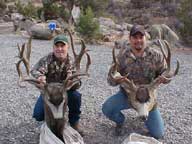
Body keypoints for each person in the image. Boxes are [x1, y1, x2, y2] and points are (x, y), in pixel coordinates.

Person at [102, 25, 170, 139]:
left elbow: (166, 72)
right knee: (107, 109)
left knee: (158, 134)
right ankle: (121, 121)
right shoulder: (122, 56)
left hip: (148, 99)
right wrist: (116, 79)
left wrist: (164, 78)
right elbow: (110, 79)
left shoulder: (156, 55)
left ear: (145, 38)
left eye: (141, 37)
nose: (138, 40)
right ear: (130, 39)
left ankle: (143, 112)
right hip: (127, 96)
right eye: (135, 37)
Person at [31, 34, 83, 134]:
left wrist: (72, 82)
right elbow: (34, 71)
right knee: (38, 115)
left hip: (65, 92)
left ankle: (74, 122)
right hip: (49, 93)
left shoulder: (73, 62)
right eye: (57, 46)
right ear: (53, 47)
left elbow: (78, 82)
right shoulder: (47, 59)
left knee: (76, 96)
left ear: (67, 47)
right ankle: (49, 120)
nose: (59, 49)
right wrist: (40, 77)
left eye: (62, 46)